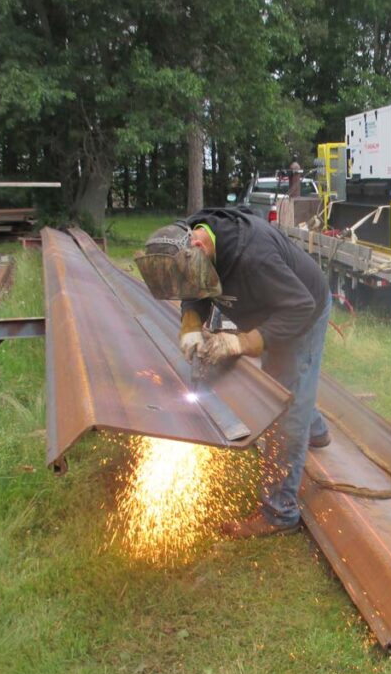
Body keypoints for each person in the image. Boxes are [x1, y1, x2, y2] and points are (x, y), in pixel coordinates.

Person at [134, 207, 332, 538]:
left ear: (199, 249)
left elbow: (299, 307)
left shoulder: (254, 257)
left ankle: (279, 512)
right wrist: (191, 324)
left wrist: (242, 342)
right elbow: (192, 289)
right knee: (287, 388)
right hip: (267, 307)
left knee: (282, 409)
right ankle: (317, 430)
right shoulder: (191, 239)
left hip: (301, 313)